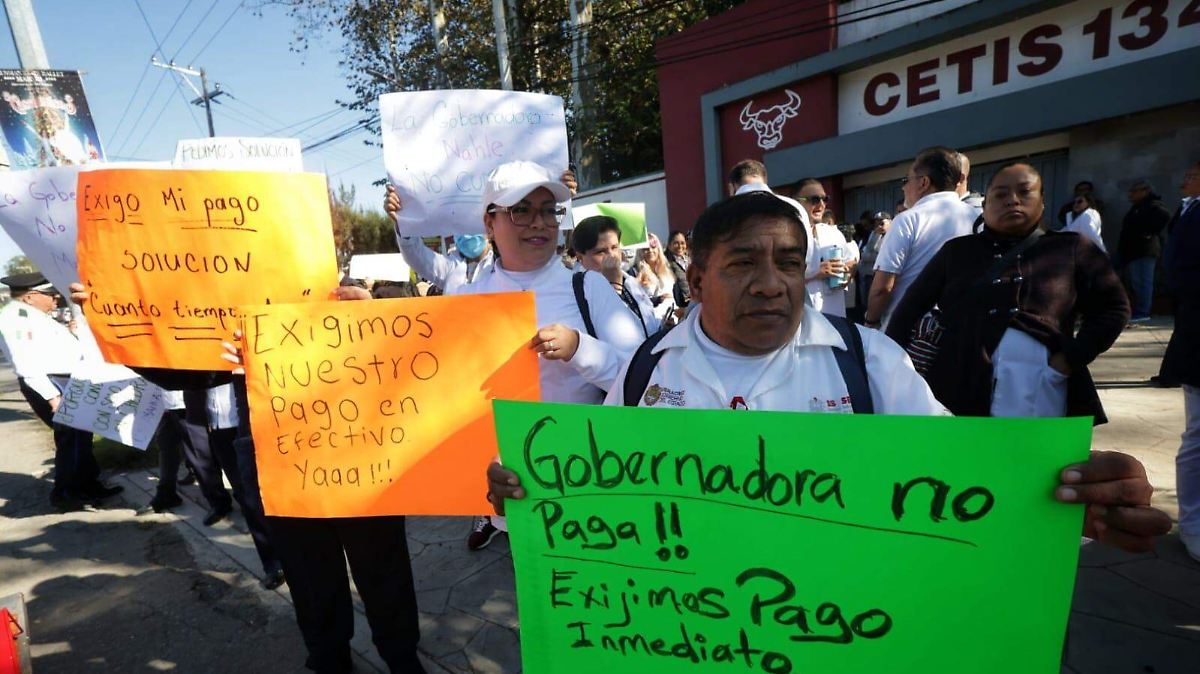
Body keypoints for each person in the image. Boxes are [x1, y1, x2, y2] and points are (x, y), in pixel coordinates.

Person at [487, 190, 1171, 554]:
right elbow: (581, 498)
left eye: (788, 263)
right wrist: (523, 492)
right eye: (743, 264)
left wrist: (1067, 506)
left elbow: (964, 483)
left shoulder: (870, 362)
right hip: (694, 635)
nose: (771, 284)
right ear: (695, 280)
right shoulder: (643, 372)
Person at [886, 162, 1129, 421]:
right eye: (1000, 194)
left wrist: (1069, 359)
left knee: (1039, 459)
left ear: (1042, 201)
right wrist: (891, 371)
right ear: (985, 205)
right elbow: (908, 311)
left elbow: (1114, 309)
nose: (1012, 200)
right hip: (959, 386)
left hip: (1043, 388)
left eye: (1025, 192)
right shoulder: (956, 252)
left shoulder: (1072, 248)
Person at [0, 272, 121, 508]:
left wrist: (75, 334)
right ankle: (67, 494)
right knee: (70, 441)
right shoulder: (13, 320)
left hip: (66, 381)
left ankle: (88, 485)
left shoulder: (33, 314)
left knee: (81, 437)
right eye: (50, 294)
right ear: (30, 297)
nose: (56, 299)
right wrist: (53, 397)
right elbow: (26, 364)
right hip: (50, 384)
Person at [865, 146, 978, 330]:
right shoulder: (976, 218)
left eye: (906, 180)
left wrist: (871, 322)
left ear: (923, 182)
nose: (903, 187)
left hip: (907, 334)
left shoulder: (907, 220)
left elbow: (882, 288)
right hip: (960, 328)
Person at [1161, 160, 1200, 560]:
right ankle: (1193, 524)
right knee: (1199, 436)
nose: (1185, 180)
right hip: (1198, 337)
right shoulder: (1190, 214)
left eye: (1190, 175)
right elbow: (1178, 272)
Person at [386, 184, 495, 295]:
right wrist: (404, 221)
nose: (466, 232)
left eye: (471, 224)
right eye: (459, 225)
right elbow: (417, 256)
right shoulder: (450, 266)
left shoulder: (502, 263)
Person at [572, 214, 661, 337]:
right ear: (580, 257)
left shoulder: (629, 281)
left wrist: (663, 326)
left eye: (614, 247)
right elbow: (617, 333)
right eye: (601, 252)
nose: (612, 255)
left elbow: (647, 322)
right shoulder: (577, 291)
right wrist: (614, 286)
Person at [796, 178, 859, 318]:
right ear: (796, 202)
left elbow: (852, 261)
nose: (821, 204)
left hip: (836, 316)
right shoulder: (787, 235)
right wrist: (815, 273)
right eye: (814, 199)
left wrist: (847, 273)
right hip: (805, 320)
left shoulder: (833, 233)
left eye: (825, 199)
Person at [1117, 179, 1172, 322]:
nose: (1131, 194)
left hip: (1145, 250)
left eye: (1134, 191)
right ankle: (1140, 310)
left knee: (1143, 282)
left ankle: (1143, 311)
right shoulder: (1138, 207)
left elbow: (1164, 216)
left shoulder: (1153, 205)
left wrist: (1147, 232)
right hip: (1133, 251)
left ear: (1145, 191)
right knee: (1136, 282)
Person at [635, 233, 678, 325]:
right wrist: (658, 299)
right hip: (653, 322)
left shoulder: (668, 268)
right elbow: (636, 301)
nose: (650, 251)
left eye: (653, 247)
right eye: (646, 249)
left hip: (673, 317)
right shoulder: (635, 272)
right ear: (640, 252)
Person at [857, 211, 890, 313]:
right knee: (866, 304)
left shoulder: (892, 235)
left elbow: (882, 256)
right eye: (876, 223)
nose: (879, 226)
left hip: (881, 275)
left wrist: (868, 255)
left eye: (882, 223)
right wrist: (875, 235)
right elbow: (865, 252)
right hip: (868, 274)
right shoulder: (873, 234)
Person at [665, 230, 691, 308]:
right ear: (669, 245)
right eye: (676, 243)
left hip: (693, 301)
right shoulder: (666, 263)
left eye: (682, 243)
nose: (680, 246)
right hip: (680, 305)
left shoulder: (690, 260)